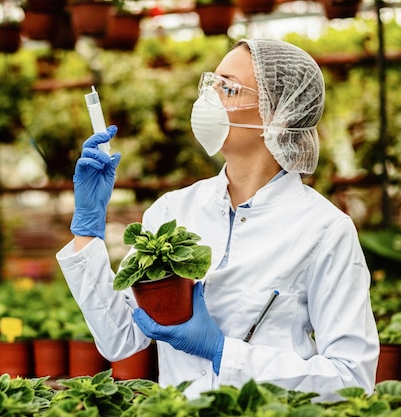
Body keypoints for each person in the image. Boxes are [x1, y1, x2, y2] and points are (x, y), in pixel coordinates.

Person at [56, 38, 379, 401]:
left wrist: (224, 353)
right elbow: (120, 337)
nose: (208, 100)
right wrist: (87, 228)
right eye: (211, 84)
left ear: (279, 114)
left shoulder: (324, 230)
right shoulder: (171, 211)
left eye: (228, 88)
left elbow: (350, 378)